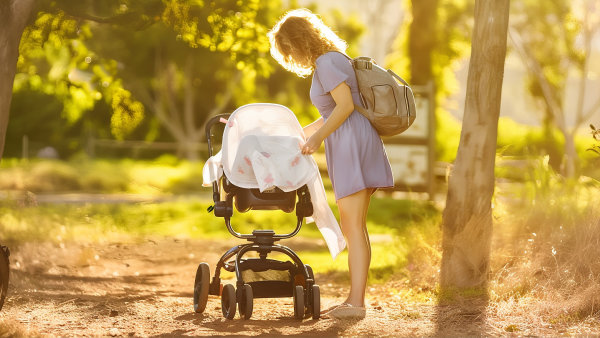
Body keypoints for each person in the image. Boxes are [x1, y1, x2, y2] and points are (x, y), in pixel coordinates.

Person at [268, 9, 394, 319]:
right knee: (356, 228)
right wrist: (297, 134)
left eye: (289, 50)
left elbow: (346, 106)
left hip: (351, 144)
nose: (291, 57)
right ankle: (355, 300)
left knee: (353, 228)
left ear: (299, 41)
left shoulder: (327, 62)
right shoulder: (331, 60)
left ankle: (356, 303)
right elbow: (331, 112)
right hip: (351, 141)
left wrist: (318, 139)